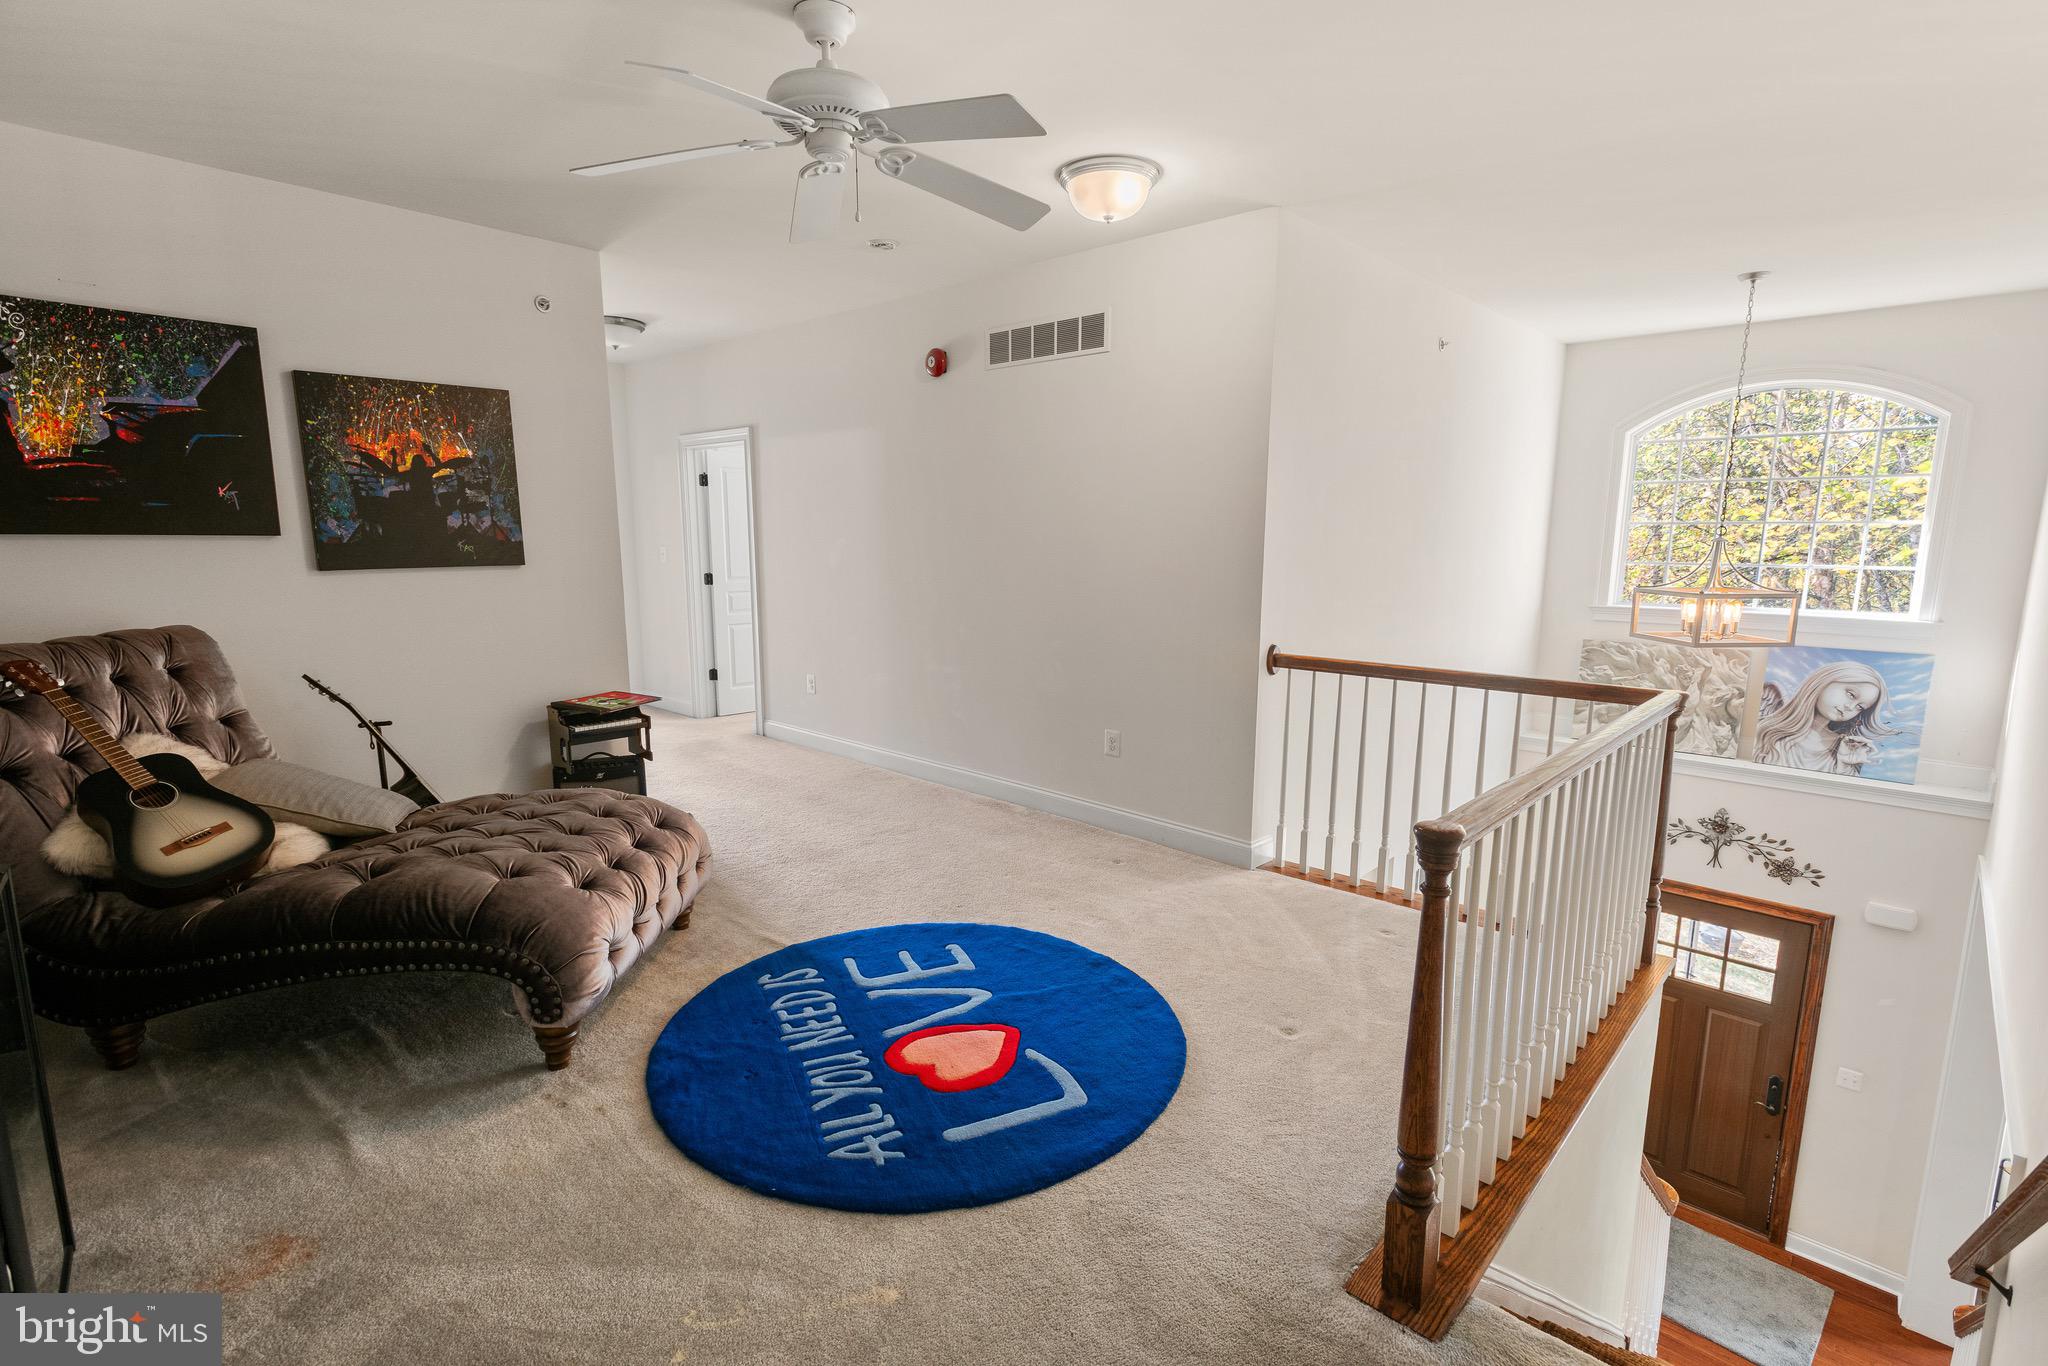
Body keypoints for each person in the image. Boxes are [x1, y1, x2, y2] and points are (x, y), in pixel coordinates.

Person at [1753, 660, 1899, 776]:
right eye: (1851, 694)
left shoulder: (1843, 748)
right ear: (1825, 680)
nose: (1850, 707)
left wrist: (1844, 766)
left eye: (1860, 707)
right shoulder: (1768, 727)